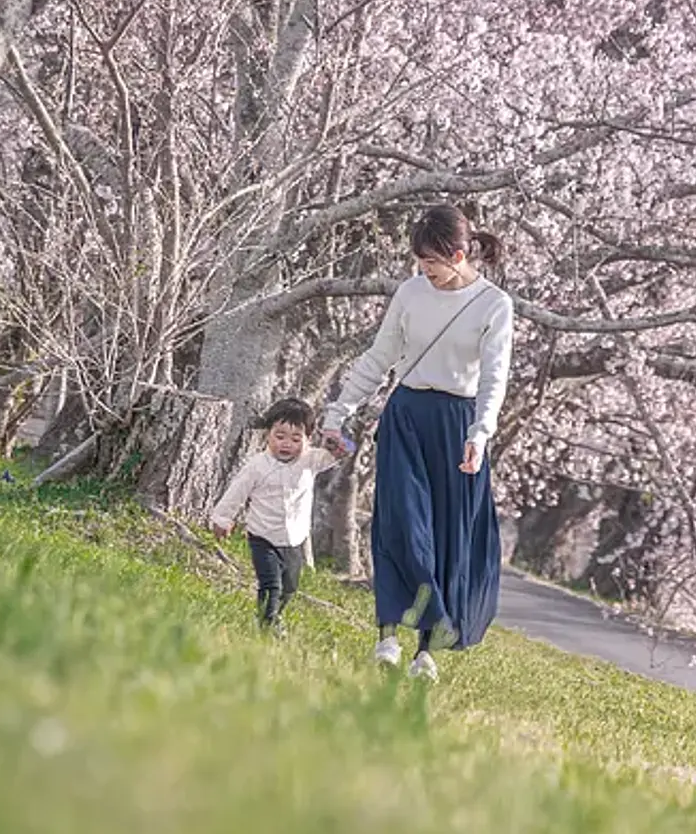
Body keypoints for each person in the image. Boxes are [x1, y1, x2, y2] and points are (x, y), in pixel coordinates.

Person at [321, 204, 514, 681]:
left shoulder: (494, 304)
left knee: (445, 535)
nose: (424, 271)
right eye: (419, 261)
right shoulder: (410, 292)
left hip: (456, 424)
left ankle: (426, 651)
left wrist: (481, 434)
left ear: (459, 254)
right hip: (405, 413)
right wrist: (338, 410)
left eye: (432, 262)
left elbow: (494, 378)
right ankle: (387, 635)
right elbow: (380, 355)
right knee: (399, 524)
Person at [209, 398, 337, 634]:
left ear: (308, 439)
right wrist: (223, 519)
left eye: (296, 438)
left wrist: (339, 443)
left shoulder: (310, 461)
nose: (287, 444)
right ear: (267, 434)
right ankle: (267, 625)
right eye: (280, 436)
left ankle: (275, 615)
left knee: (290, 586)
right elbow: (237, 492)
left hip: (294, 538)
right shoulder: (258, 466)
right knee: (271, 584)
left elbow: (337, 454)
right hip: (263, 536)